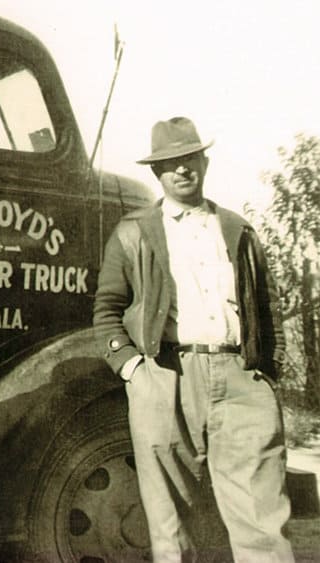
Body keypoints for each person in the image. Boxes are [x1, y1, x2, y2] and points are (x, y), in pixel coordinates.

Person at [93, 117, 293, 562]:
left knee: (261, 516)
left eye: (189, 159)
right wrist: (133, 371)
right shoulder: (133, 232)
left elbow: (268, 306)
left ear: (204, 161)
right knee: (170, 524)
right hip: (166, 377)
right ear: (156, 173)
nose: (182, 170)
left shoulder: (238, 230)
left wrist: (265, 370)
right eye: (170, 164)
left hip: (240, 377)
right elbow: (106, 311)